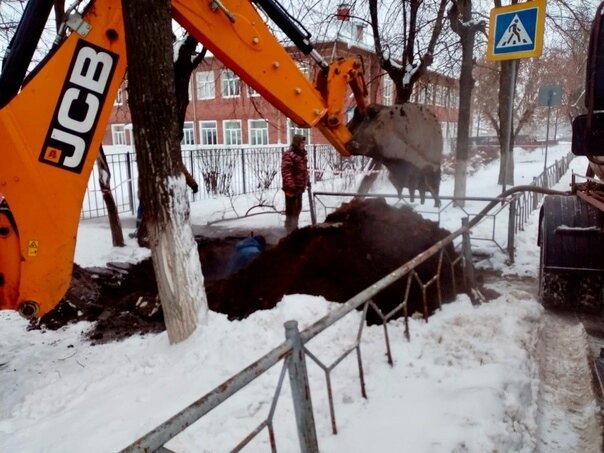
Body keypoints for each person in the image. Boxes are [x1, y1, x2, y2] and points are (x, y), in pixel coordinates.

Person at [281, 134, 309, 232]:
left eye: (303, 143)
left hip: (299, 186)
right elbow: (286, 171)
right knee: (291, 210)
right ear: (297, 143)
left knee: (298, 208)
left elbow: (304, 170)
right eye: (301, 143)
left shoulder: (301, 155)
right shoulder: (289, 155)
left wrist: (307, 181)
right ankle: (289, 230)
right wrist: (290, 185)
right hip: (291, 188)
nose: (303, 144)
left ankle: (294, 228)